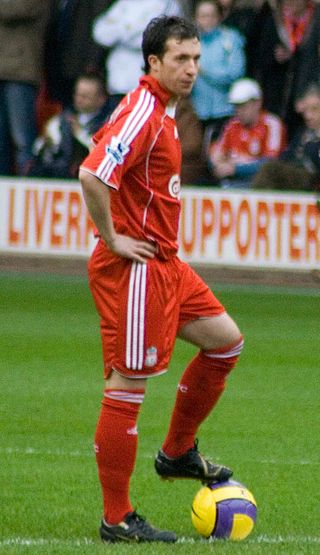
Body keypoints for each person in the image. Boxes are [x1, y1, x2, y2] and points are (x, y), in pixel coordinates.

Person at [79, 15, 244, 543]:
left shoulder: (166, 112)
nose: (192, 68)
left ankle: (176, 453)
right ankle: (117, 517)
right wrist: (112, 238)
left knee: (225, 343)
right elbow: (92, 173)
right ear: (154, 62)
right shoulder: (142, 112)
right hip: (137, 269)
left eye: (196, 58)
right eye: (181, 59)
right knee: (128, 385)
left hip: (168, 265)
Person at [92, 0, 183, 111]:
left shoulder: (166, 4)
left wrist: (119, 32)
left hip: (147, 83)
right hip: (117, 83)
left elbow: (151, 38)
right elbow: (100, 34)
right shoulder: (123, 4)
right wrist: (128, 29)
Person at [248, 0, 320, 139]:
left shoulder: (315, 19)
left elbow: (313, 61)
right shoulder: (275, 20)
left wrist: (307, 94)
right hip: (277, 97)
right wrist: (275, 56)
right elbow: (259, 56)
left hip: (305, 94)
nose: (290, 4)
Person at [0, 1, 50, 176]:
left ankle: (27, 187)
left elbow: (17, 9)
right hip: (5, 70)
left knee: (24, 142)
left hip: (21, 72)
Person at [28, 74, 111, 179]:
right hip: (59, 177)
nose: (79, 100)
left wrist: (80, 134)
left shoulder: (109, 123)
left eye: (85, 96)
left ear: (101, 99)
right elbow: (39, 149)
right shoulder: (62, 119)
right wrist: (45, 143)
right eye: (77, 94)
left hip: (91, 179)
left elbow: (104, 153)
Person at [209, 77, 287, 188]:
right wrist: (216, 162)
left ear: (257, 103)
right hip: (231, 183)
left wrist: (235, 169)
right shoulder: (232, 124)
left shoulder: (271, 124)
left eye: (243, 106)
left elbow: (271, 162)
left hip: (261, 185)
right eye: (236, 106)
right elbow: (217, 154)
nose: (238, 111)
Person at [191, 0, 246, 147]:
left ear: (220, 17)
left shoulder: (231, 38)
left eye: (211, 16)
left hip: (225, 110)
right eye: (202, 16)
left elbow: (235, 74)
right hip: (198, 110)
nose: (207, 20)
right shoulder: (191, 42)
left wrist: (204, 71)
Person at [253, 82, 320, 191]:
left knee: (270, 169)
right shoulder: (302, 132)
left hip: (313, 178)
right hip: (295, 174)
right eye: (306, 110)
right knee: (268, 170)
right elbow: (287, 155)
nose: (308, 115)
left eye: (314, 109)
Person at [45, 0, 109, 108]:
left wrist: (92, 62)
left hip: (81, 64)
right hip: (57, 60)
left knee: (80, 105)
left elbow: (99, 25)